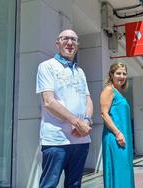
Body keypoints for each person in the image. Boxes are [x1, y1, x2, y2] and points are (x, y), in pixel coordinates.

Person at [36, 29, 93, 188]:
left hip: (81, 139)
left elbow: (88, 99)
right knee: (49, 184)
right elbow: (49, 101)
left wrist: (86, 121)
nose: (70, 43)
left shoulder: (80, 71)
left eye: (73, 40)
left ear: (77, 45)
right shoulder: (46, 66)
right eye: (65, 39)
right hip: (56, 139)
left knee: (74, 184)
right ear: (57, 43)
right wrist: (76, 121)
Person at [100, 63, 135, 188]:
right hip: (115, 137)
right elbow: (104, 114)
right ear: (111, 74)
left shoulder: (118, 92)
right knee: (118, 170)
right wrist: (118, 133)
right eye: (118, 73)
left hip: (123, 138)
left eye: (124, 73)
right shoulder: (109, 90)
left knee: (125, 170)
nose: (122, 76)